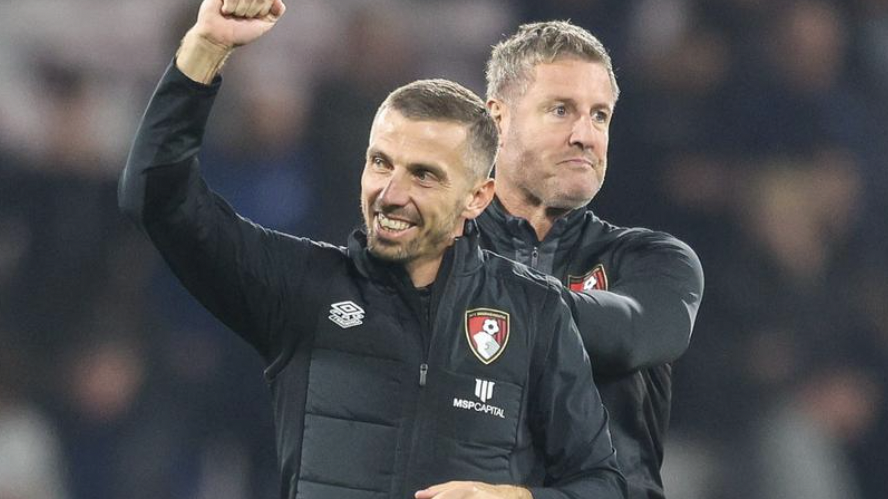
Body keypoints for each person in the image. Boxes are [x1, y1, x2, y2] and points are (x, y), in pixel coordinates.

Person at [118, 2, 627, 499]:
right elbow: (156, 198)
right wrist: (207, 47)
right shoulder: (303, 286)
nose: (391, 193)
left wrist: (513, 498)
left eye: (423, 175)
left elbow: (603, 482)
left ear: (477, 197)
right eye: (381, 163)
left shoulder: (534, 312)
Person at [476, 21, 705, 499]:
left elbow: (631, 334)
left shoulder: (653, 260)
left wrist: (467, 290)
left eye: (599, 116)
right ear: (498, 119)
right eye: (561, 110)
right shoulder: (446, 247)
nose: (585, 135)